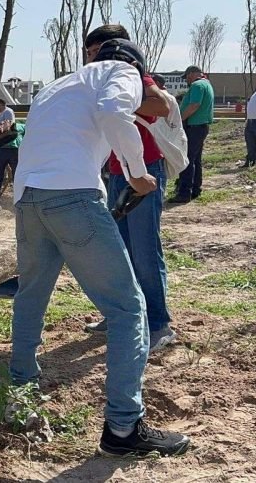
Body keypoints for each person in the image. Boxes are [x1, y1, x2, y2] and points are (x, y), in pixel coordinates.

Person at [11, 38, 190, 458]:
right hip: (72, 196)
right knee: (128, 309)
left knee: (31, 295)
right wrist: (137, 173)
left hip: (29, 198)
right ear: (134, 65)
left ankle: (20, 389)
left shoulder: (59, 84)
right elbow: (114, 111)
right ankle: (123, 429)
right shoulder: (121, 73)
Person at [79, 25, 177, 352]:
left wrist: (117, 103)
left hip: (145, 172)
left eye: (95, 52)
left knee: (144, 250)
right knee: (119, 251)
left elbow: (160, 105)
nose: (92, 59)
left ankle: (158, 324)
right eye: (90, 53)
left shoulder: (132, 76)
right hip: (118, 173)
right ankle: (122, 314)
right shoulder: (99, 81)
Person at [170, 65, 214, 204]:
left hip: (194, 127)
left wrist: (179, 119)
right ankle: (195, 189)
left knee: (187, 160)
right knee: (195, 159)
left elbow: (194, 105)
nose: (187, 80)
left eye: (187, 77)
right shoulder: (206, 84)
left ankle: (184, 193)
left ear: (192, 74)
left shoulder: (197, 85)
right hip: (200, 127)